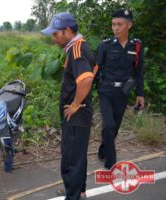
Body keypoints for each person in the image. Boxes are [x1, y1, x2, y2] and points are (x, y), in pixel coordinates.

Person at [41, 12, 96, 200]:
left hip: (76, 115)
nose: (53, 38)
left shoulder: (77, 50)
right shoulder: (77, 47)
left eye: (56, 33)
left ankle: (73, 196)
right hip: (81, 114)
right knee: (78, 157)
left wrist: (74, 105)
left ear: (67, 31)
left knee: (71, 161)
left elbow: (87, 79)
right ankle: (79, 191)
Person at [96, 9, 145, 169]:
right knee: (108, 125)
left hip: (122, 93)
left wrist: (140, 94)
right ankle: (111, 163)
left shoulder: (136, 46)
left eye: (119, 24)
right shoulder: (105, 45)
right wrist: (91, 90)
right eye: (113, 24)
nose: (115, 28)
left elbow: (138, 72)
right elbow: (95, 69)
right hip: (106, 91)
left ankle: (104, 149)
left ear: (129, 25)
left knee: (114, 128)